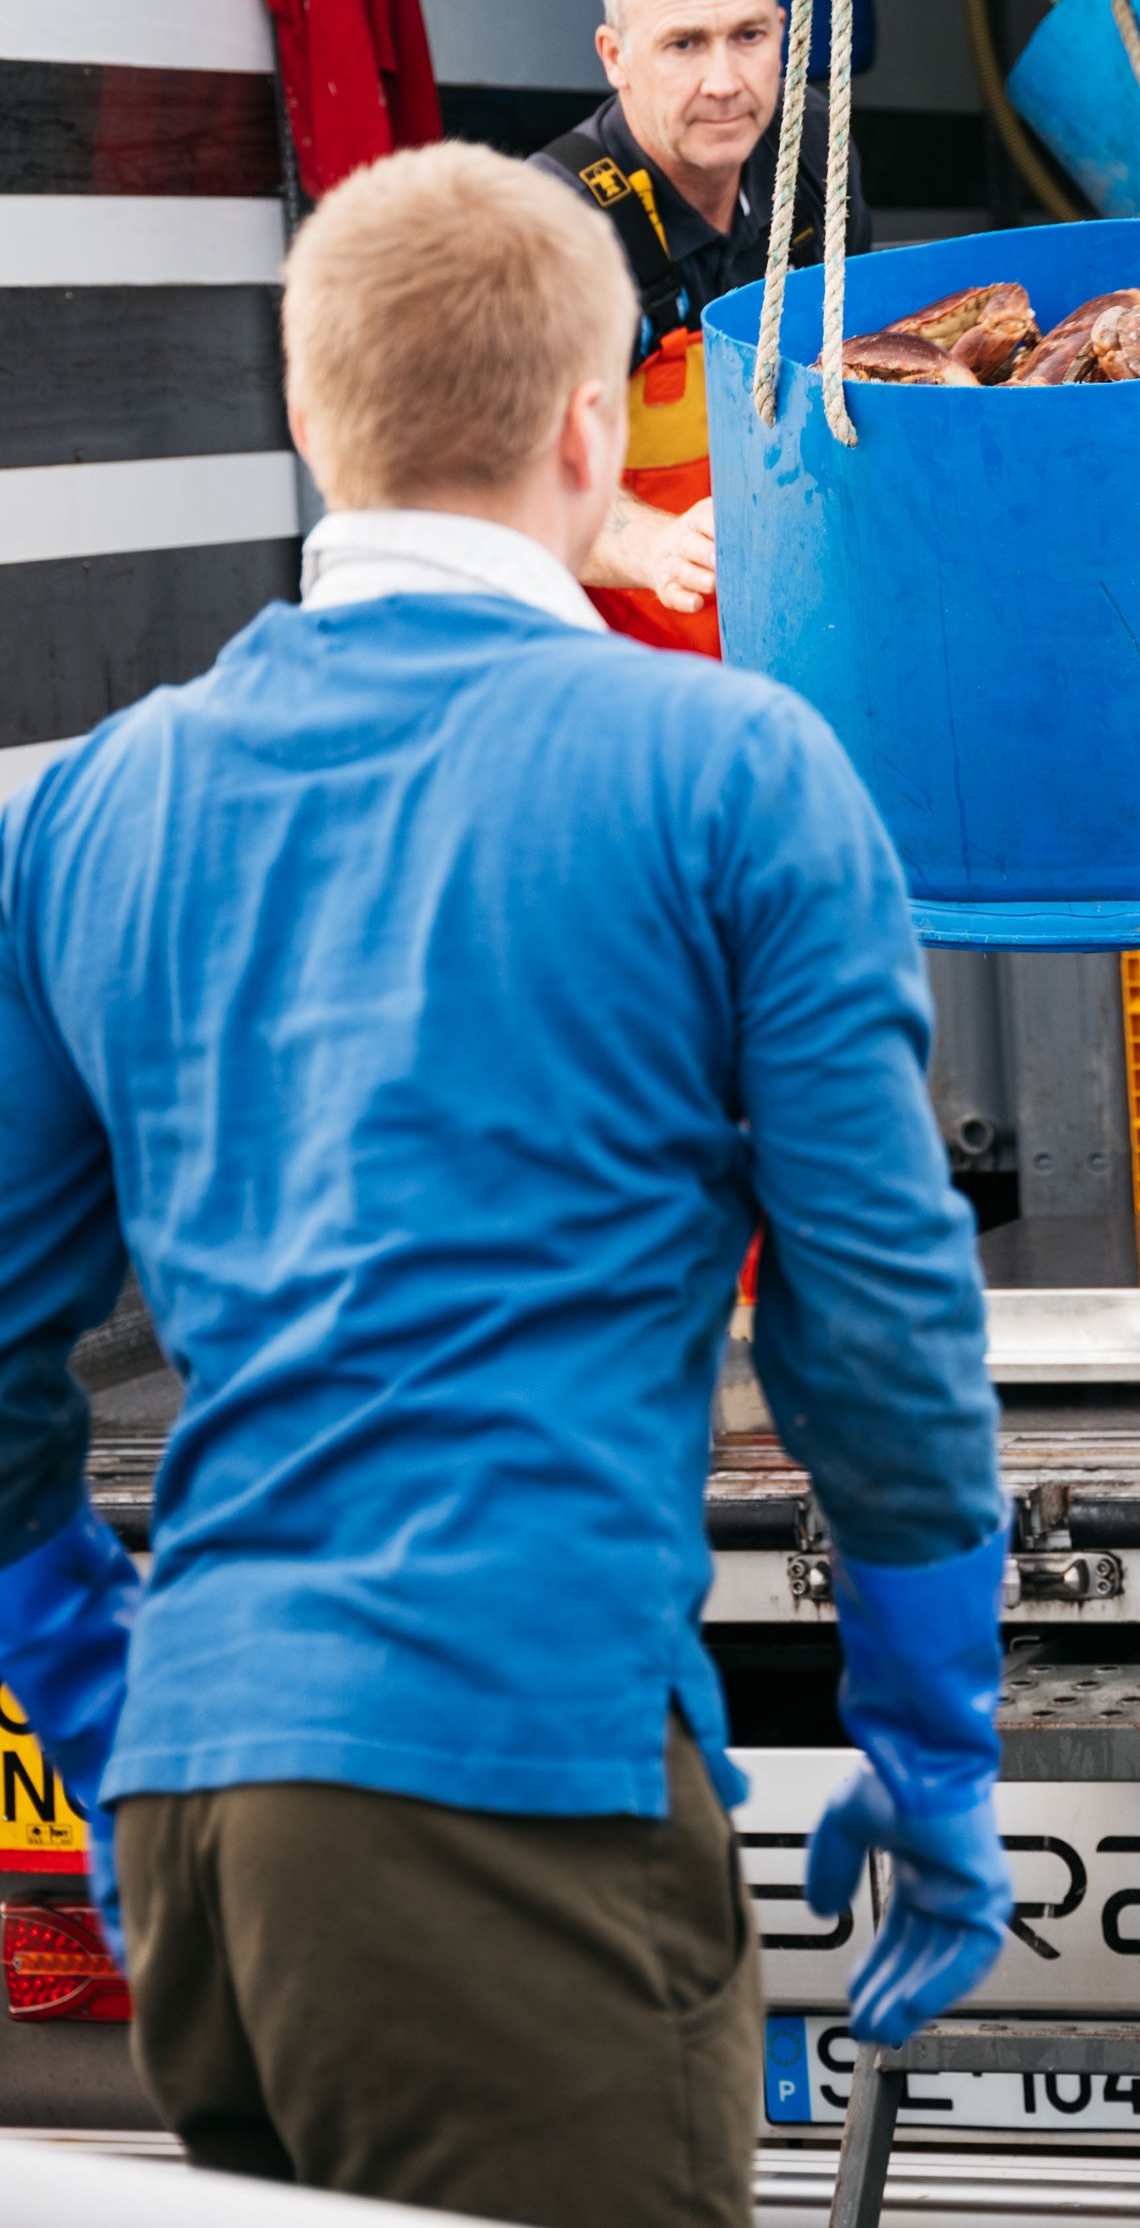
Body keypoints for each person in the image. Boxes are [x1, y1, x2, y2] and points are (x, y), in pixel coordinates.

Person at [0, 143, 1008, 2227]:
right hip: (511, 1785)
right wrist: (932, 1736)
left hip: (206, 1822)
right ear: (586, 423)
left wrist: (126, 1706)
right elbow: (879, 1315)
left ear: (311, 417)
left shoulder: (97, 803)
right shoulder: (726, 767)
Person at [534, 0, 866, 655]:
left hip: (808, 628)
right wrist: (655, 549)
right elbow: (509, 484)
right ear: (614, 57)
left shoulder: (814, 154)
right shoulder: (553, 225)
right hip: (623, 666)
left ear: (783, 30)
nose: (724, 81)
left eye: (747, 36)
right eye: (684, 44)